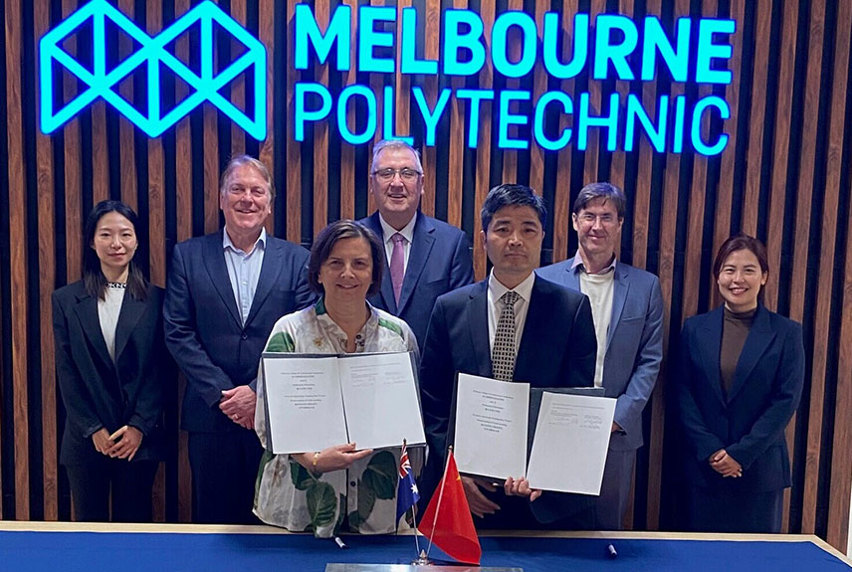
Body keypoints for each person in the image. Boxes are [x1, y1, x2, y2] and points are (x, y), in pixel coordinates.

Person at [419, 184, 598, 530]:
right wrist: (454, 473)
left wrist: (542, 471)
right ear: (484, 239)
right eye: (503, 228)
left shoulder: (572, 309)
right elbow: (432, 403)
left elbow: (574, 406)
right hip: (462, 495)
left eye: (527, 229)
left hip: (539, 499)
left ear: (541, 237)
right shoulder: (450, 308)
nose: (515, 239)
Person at [164, 155, 312, 524]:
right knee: (213, 526)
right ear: (221, 198)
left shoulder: (297, 260)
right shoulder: (188, 255)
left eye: (257, 191)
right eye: (238, 189)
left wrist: (258, 392)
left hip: (278, 418)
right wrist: (225, 396)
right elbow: (178, 331)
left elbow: (306, 336)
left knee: (274, 526)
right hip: (211, 417)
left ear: (269, 203)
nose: (247, 198)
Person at [253, 220, 418, 538]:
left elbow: (412, 424)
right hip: (302, 502)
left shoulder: (399, 336)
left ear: (373, 273)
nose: (347, 274)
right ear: (318, 271)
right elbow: (267, 422)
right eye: (336, 263)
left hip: (379, 507)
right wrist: (313, 459)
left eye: (359, 264)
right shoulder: (289, 333)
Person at [537, 182, 663, 530]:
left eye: (607, 217)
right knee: (552, 531)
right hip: (556, 426)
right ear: (575, 221)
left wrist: (618, 417)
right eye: (589, 216)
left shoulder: (645, 286)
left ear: (620, 224)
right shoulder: (545, 280)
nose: (597, 225)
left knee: (605, 530)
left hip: (616, 432)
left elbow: (649, 360)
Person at [676, 233, 804, 533]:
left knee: (756, 561)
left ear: (764, 277)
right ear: (718, 276)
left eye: (749, 269)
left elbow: (785, 401)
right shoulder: (695, 329)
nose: (738, 278)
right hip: (704, 470)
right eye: (729, 269)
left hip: (759, 471)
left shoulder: (787, 333)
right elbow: (682, 393)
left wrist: (740, 454)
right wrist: (711, 450)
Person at [52, 200, 166, 522]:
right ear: (92, 241)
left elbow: (160, 370)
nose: (116, 244)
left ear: (137, 240)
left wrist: (139, 427)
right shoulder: (65, 300)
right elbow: (67, 370)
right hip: (86, 440)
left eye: (125, 235)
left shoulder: (157, 299)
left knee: (135, 532)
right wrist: (94, 429)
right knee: (89, 533)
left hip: (138, 439)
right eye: (106, 235)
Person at [360, 139, 473, 349]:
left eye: (407, 173)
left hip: (430, 375)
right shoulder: (352, 242)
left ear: (421, 184)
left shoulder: (451, 243)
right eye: (386, 173)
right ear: (371, 184)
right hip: (364, 372)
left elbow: (461, 323)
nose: (396, 182)